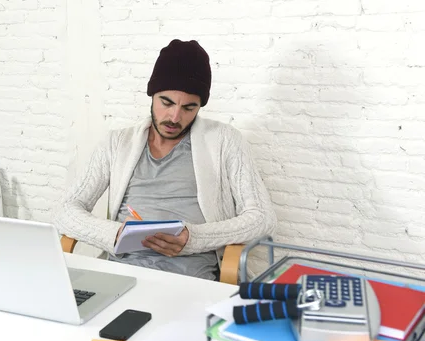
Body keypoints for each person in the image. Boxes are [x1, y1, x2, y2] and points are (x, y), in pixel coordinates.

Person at [52, 39, 276, 281]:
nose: (174, 117)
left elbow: (262, 217)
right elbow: (64, 210)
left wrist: (194, 238)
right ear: (152, 95)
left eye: (189, 108)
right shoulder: (117, 143)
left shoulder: (224, 141)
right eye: (166, 103)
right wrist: (115, 234)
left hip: (189, 279)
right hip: (121, 275)